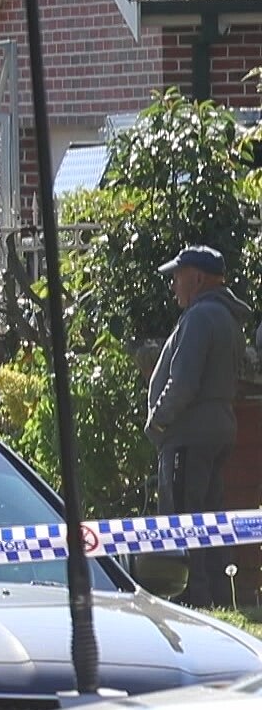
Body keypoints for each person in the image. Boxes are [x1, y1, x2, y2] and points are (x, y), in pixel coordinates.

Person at [147, 245, 247, 607]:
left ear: (198, 278)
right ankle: (220, 596)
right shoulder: (227, 317)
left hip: (189, 435)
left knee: (182, 520)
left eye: (178, 275)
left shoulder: (200, 317)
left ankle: (190, 600)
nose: (173, 283)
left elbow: (183, 382)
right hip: (218, 429)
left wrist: (158, 420)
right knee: (210, 519)